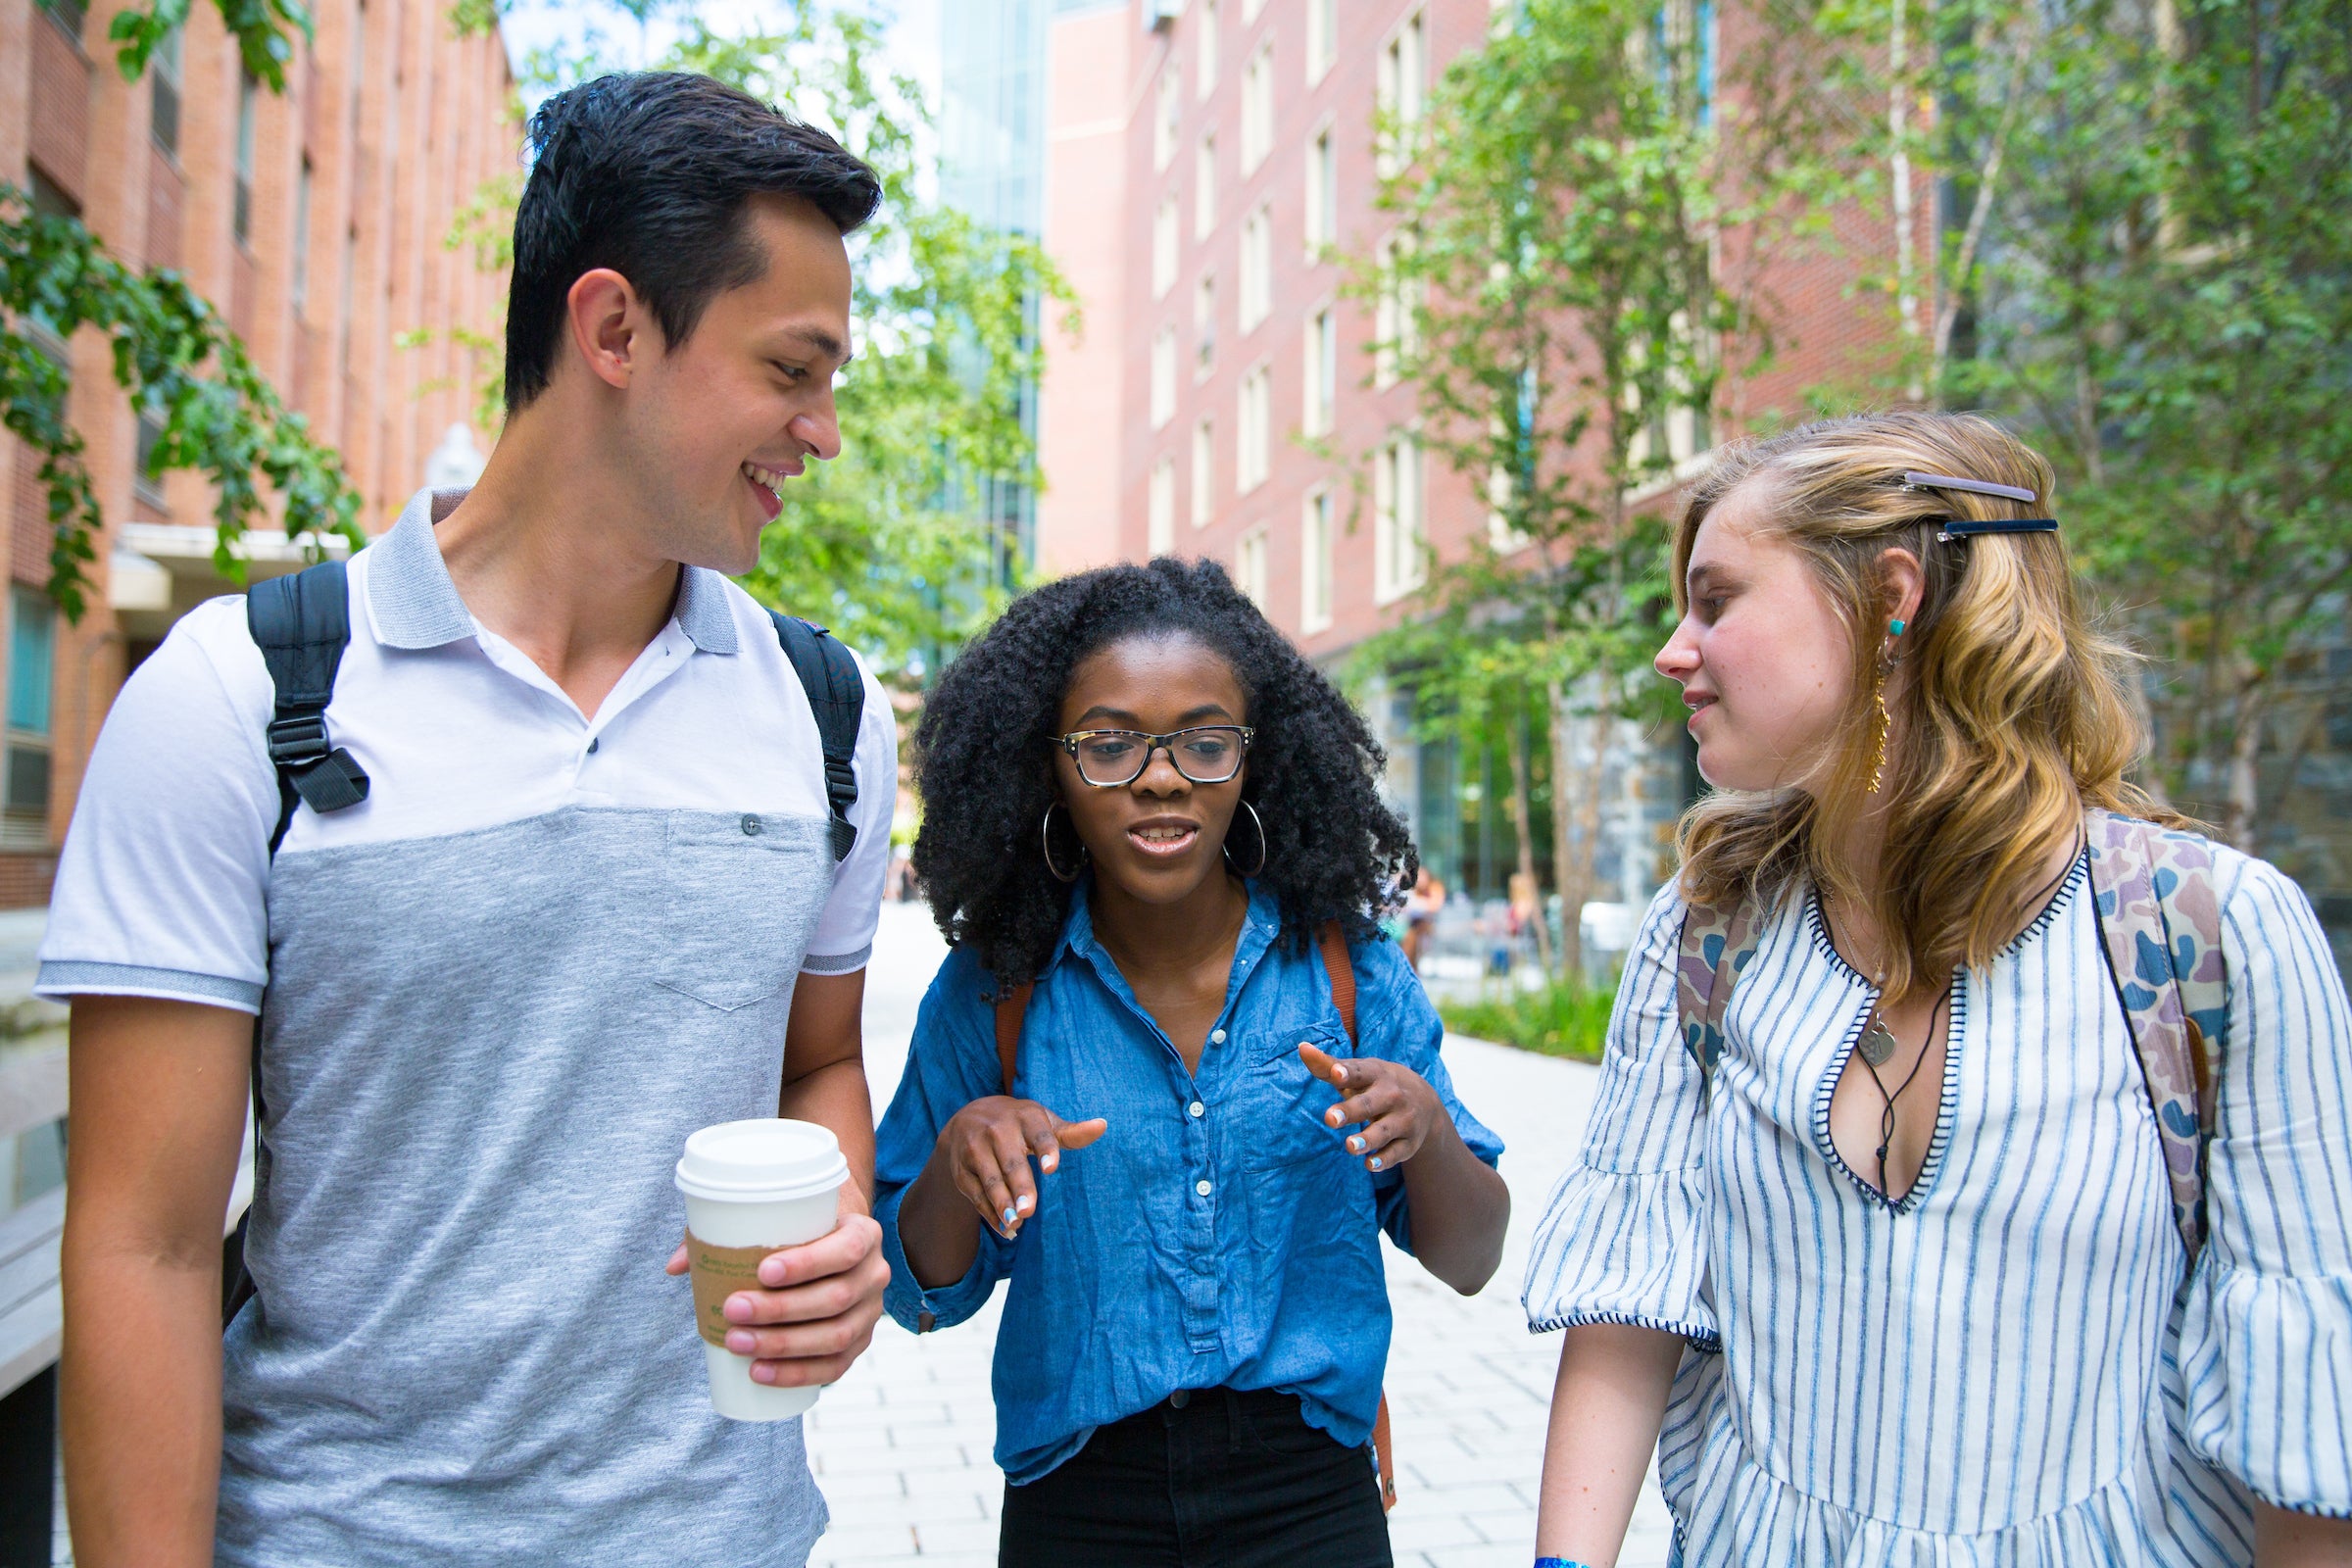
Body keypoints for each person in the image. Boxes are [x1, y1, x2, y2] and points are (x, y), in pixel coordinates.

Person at [45, 74, 899, 1567]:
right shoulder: (237, 700)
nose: (822, 431)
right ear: (616, 330)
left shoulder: (825, 720)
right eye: (793, 371)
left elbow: (816, 1057)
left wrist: (836, 1234)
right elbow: (145, 1248)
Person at [1525, 411, 2352, 1567]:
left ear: (1893, 596)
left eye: (1716, 600)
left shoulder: (2211, 932)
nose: (1674, 649)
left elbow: (2304, 1407)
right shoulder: (1706, 928)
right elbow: (1626, 1318)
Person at [873, 560, 1512, 1567]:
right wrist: (959, 1159)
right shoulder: (994, 996)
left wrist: (1426, 1130)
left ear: (1257, 761)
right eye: (1109, 743)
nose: (1162, 774)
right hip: (1078, 1503)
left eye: (1205, 741)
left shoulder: (1348, 972)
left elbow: (1472, 1260)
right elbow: (919, 1294)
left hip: (1310, 1500)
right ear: (1048, 769)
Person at [1402, 865, 1446, 970]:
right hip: (1410, 926)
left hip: (1428, 926)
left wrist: (1419, 905)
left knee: (1414, 935)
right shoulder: (1413, 890)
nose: (1420, 879)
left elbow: (1434, 906)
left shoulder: (1435, 887)